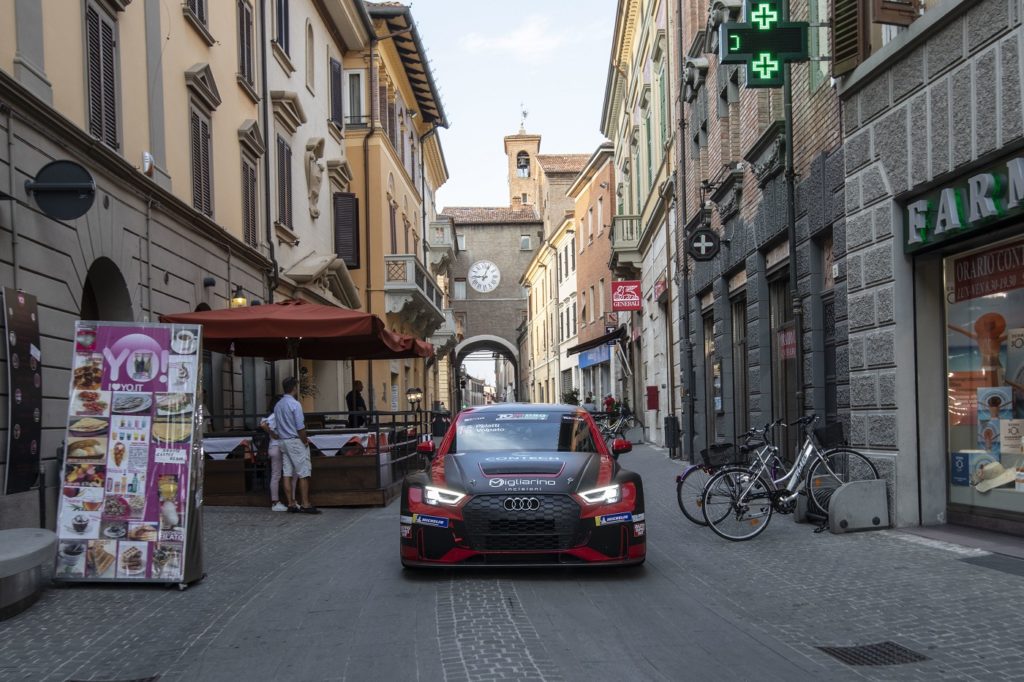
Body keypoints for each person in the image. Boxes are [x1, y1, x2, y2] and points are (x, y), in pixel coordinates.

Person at [273, 377, 321, 514]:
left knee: (287, 473)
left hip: (282, 441)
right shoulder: (295, 404)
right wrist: (305, 442)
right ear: (294, 387)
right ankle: (305, 503)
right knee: (303, 472)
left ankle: (291, 503)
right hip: (294, 440)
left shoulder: (278, 405)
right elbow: (300, 427)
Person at [260, 395, 288, 512]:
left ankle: (275, 500)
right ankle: (276, 501)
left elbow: (262, 423)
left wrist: (271, 433)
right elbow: (263, 424)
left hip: (273, 446)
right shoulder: (277, 415)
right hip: (277, 445)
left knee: (275, 475)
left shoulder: (272, 414)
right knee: (281, 474)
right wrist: (273, 434)